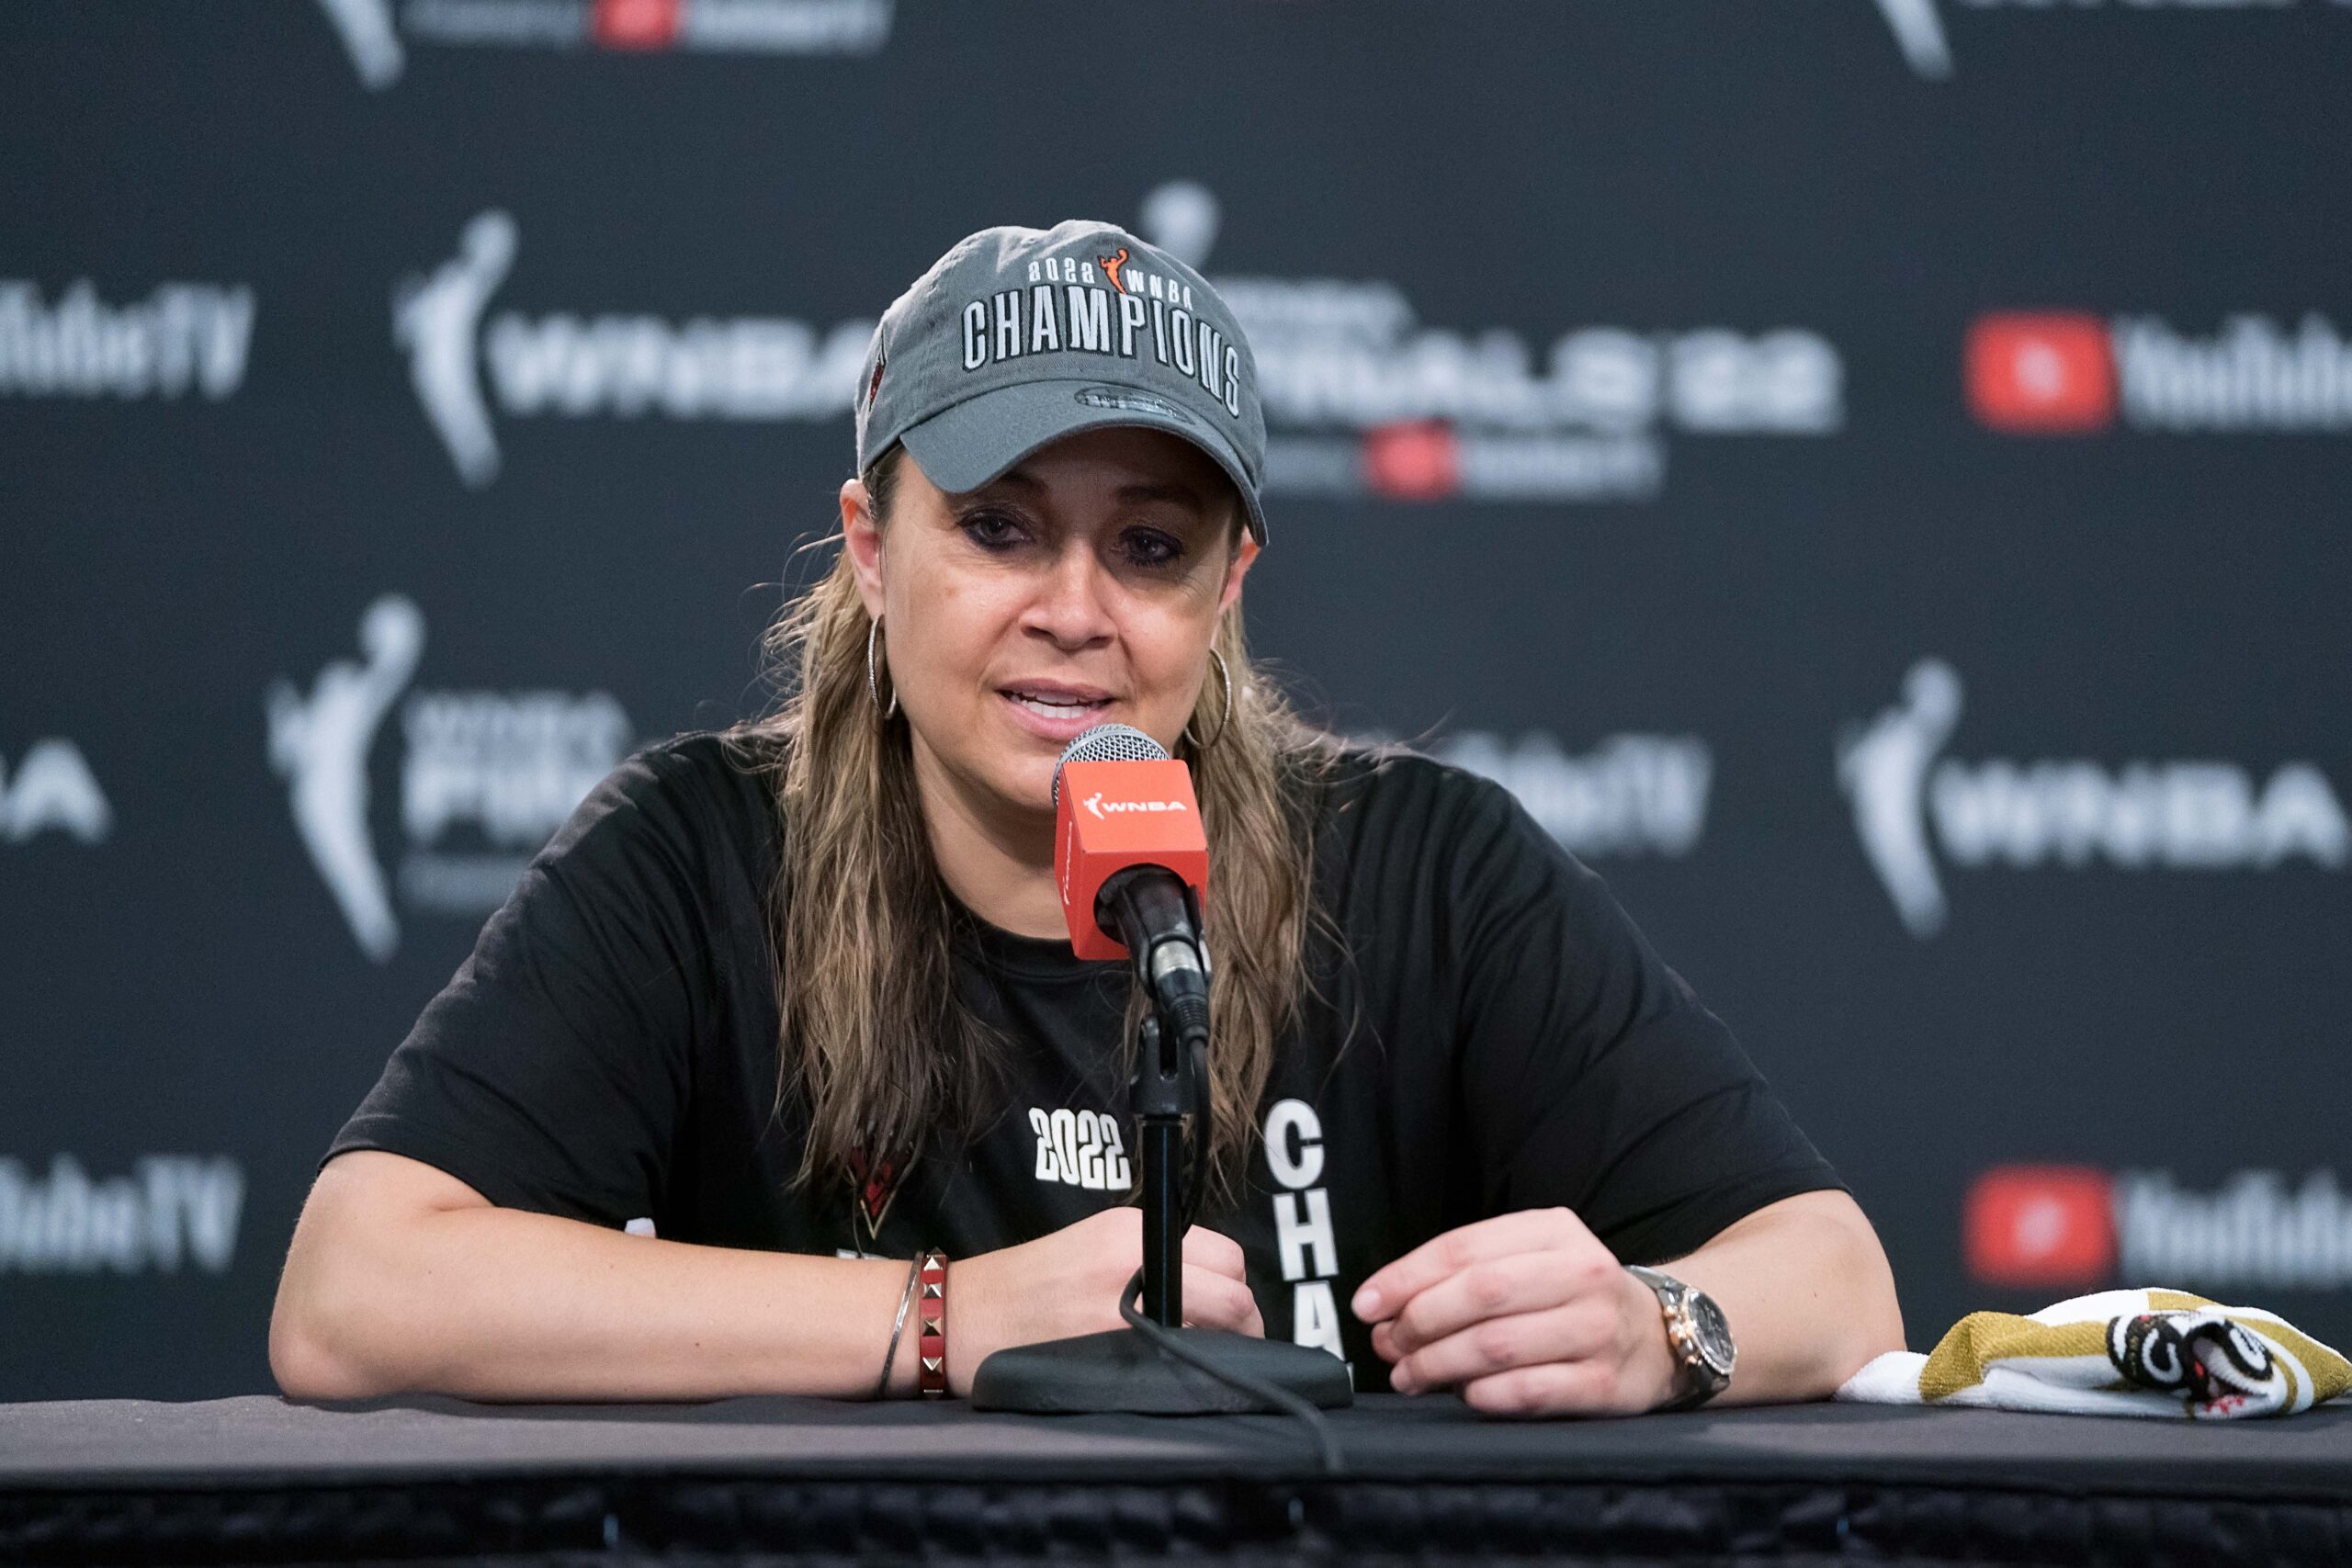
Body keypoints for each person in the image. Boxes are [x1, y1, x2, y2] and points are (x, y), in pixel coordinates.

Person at [271, 221, 1904, 1416]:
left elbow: (1832, 1275)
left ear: (1228, 586)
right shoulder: (700, 855)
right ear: (866, 542)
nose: (1075, 611)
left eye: (1147, 547)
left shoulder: (1426, 869)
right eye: (996, 527)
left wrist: (1658, 1328)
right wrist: (945, 1318)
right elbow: (354, 1292)